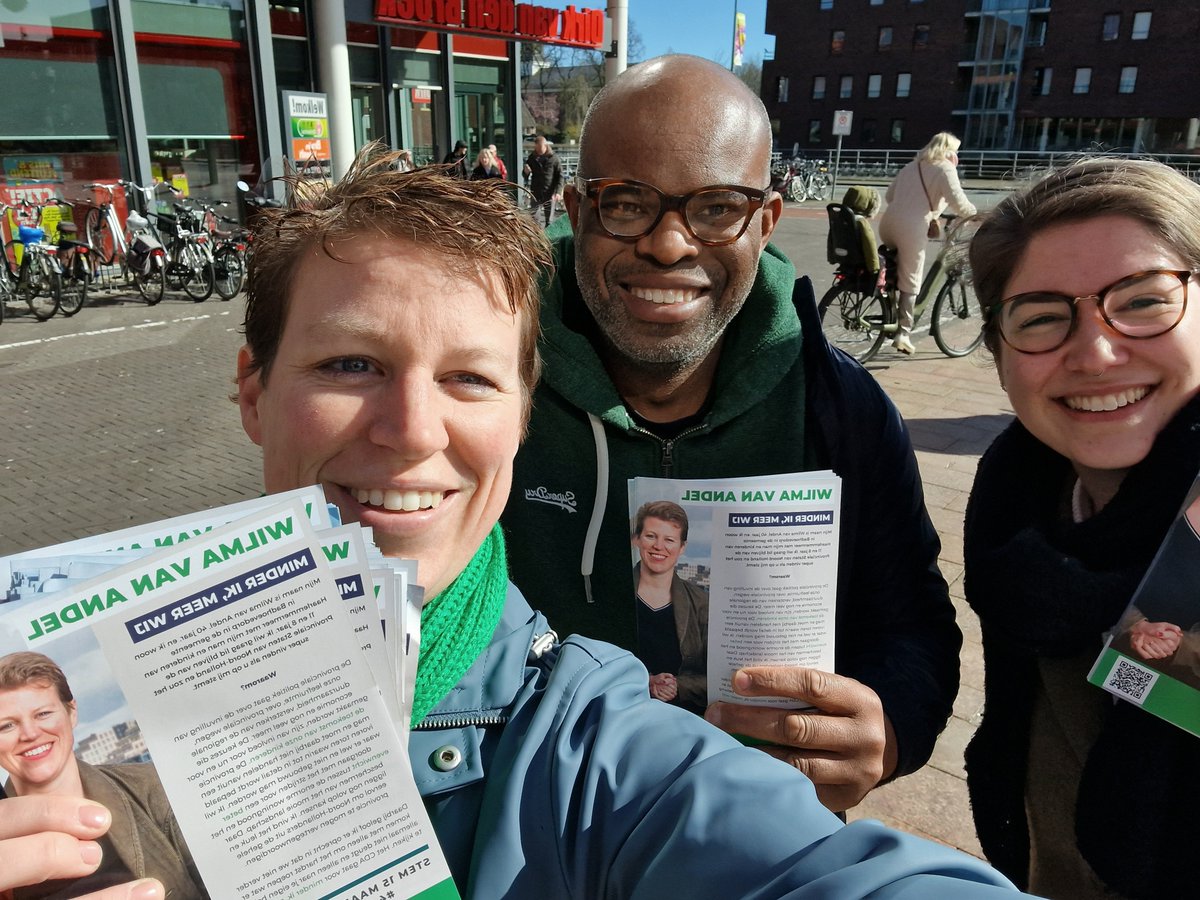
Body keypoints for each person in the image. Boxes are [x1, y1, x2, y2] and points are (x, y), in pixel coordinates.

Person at [1, 147, 1028, 900]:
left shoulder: (591, 748)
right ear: (253, 390)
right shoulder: (54, 723)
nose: (411, 431)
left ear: (522, 412)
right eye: (350, 364)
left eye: (469, 379)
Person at [502, 54, 962, 814]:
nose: (670, 245)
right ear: (578, 213)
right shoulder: (487, 385)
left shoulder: (840, 407)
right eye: (627, 203)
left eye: (717, 207)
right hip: (529, 832)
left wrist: (890, 728)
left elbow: (911, 621)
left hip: (752, 831)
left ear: (766, 221)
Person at [962, 157, 1200, 900]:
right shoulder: (1018, 509)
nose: (1095, 352)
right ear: (1001, 360)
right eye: (1039, 317)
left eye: (1143, 301)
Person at [0, 652, 206, 900]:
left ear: (71, 712)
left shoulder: (152, 786)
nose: (30, 734)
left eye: (43, 714)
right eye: (6, 726)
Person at [878, 132, 976, 354]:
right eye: (956, 152)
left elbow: (889, 196)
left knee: (898, 270)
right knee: (912, 279)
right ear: (950, 151)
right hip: (911, 228)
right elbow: (959, 203)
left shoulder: (911, 166)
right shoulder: (944, 168)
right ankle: (903, 333)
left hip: (888, 224)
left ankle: (890, 310)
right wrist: (977, 215)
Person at [630, 500, 709, 713]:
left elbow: (718, 678)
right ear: (636, 539)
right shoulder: (611, 595)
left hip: (684, 718)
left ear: (682, 547)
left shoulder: (701, 602)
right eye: (651, 536)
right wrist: (645, 681)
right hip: (622, 713)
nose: (659, 547)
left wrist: (678, 686)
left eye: (669, 540)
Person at [522, 134, 563, 227]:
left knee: (549, 221)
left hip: (549, 192)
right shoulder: (532, 158)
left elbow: (560, 176)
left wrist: (558, 192)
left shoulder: (554, 158)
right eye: (537, 148)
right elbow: (525, 175)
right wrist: (526, 171)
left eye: (540, 148)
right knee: (535, 219)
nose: (538, 151)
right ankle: (538, 239)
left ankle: (549, 239)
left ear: (545, 146)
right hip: (536, 192)